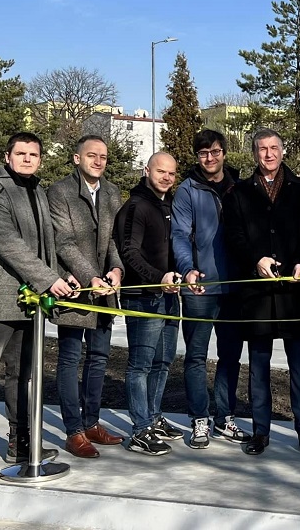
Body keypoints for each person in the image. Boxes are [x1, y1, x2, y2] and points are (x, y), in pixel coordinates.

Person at [0, 132, 73, 479]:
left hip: (29, 302)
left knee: (23, 378)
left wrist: (60, 276)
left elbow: (46, 245)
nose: (27, 159)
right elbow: (8, 244)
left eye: (33, 154)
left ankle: (19, 440)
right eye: (21, 153)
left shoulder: (37, 191)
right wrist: (47, 279)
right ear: (7, 156)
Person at [222, 128, 300, 456]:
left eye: (274, 148)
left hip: (295, 289)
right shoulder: (239, 192)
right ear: (254, 153)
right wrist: (255, 260)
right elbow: (233, 235)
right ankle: (260, 431)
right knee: (259, 364)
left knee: (299, 365)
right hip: (258, 292)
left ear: (283, 150)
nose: (268, 154)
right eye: (262, 149)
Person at [171, 129, 252, 449]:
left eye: (215, 151)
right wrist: (186, 268)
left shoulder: (239, 186)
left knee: (230, 356)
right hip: (200, 288)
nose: (210, 158)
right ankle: (199, 419)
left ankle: (225, 416)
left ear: (224, 153)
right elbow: (179, 233)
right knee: (195, 356)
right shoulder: (187, 190)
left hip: (234, 286)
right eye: (203, 153)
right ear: (197, 156)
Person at [47, 135, 125, 459]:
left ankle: (92, 422)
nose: (98, 161)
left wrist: (117, 271)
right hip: (76, 288)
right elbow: (63, 242)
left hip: (105, 291)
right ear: (77, 158)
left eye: (103, 156)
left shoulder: (112, 193)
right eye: (91, 155)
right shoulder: (59, 192)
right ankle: (73, 431)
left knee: (99, 359)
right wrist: (89, 276)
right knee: (69, 359)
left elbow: (116, 241)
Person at [114, 151, 183, 456]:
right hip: (144, 296)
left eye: (171, 173)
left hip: (169, 295)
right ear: (146, 171)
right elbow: (129, 252)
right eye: (161, 172)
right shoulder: (136, 206)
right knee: (141, 364)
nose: (166, 177)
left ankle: (153, 417)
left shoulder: (168, 205)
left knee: (163, 360)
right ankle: (140, 428)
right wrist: (158, 277)